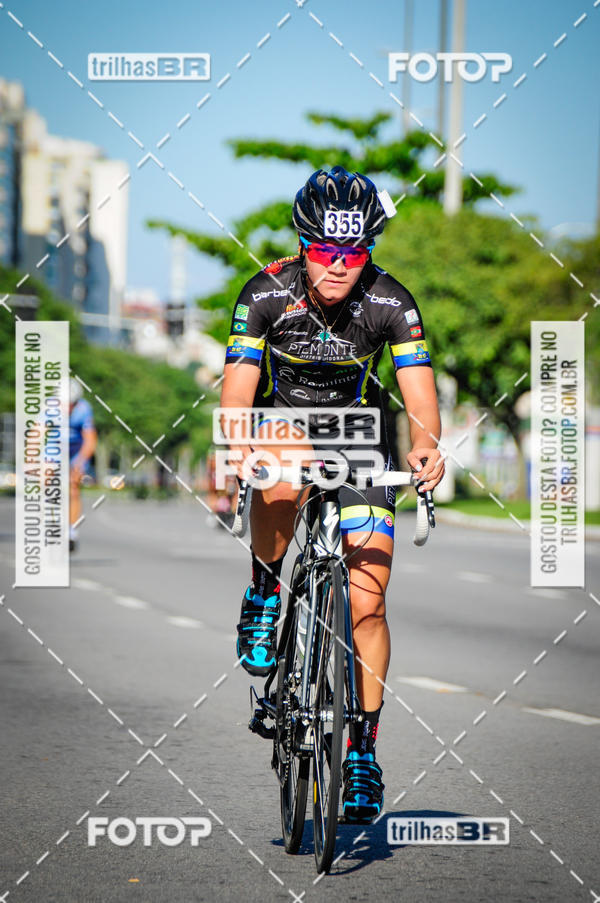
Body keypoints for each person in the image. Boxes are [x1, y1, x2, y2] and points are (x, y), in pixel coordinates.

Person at [220, 166, 444, 823]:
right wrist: (240, 443)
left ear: (368, 250)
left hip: (361, 439)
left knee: (368, 606)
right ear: (302, 245)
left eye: (354, 252)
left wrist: (427, 446)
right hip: (283, 425)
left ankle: (364, 753)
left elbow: (419, 396)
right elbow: (237, 389)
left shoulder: (391, 301)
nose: (339, 266)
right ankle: (266, 584)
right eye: (324, 251)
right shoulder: (265, 292)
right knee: (281, 465)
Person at [69, 377, 97, 552]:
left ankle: (71, 531)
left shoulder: (84, 409)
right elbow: (36, 435)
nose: (68, 408)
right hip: (54, 448)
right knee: (45, 478)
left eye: (72, 403)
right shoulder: (48, 408)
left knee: (73, 487)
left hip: (76, 450)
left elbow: (90, 442)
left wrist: (79, 464)